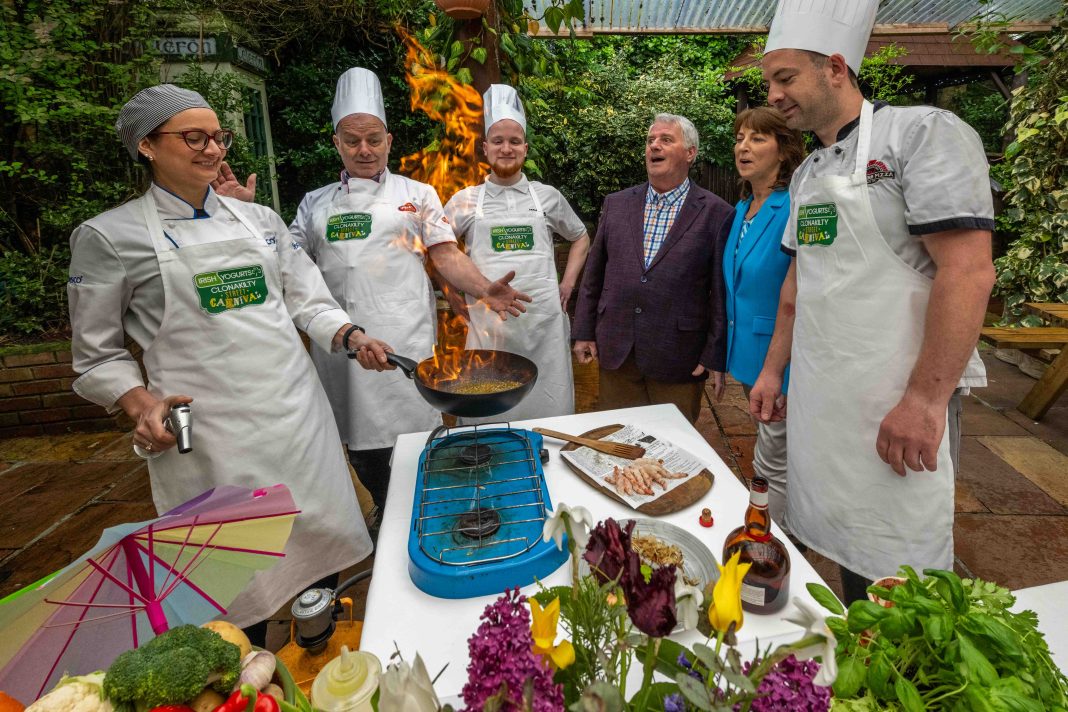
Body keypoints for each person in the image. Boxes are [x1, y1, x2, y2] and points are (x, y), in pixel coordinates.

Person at [66, 85, 393, 637]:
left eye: (217, 137)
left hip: (296, 418)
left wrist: (351, 335)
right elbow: (95, 355)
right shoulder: (109, 236)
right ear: (147, 144)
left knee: (318, 549)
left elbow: (307, 299)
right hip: (216, 436)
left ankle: (319, 652)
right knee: (241, 579)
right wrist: (140, 401)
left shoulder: (258, 219)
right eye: (194, 137)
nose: (213, 149)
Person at [751, 0, 996, 603]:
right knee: (832, 546)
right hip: (823, 404)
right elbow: (797, 285)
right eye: (769, 83)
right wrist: (773, 370)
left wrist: (924, 398)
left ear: (835, 67)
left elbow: (967, 271)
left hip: (895, 400)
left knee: (897, 572)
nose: (775, 95)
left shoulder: (921, 134)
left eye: (786, 78)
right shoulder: (808, 172)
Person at [216, 68, 531, 519]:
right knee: (356, 438)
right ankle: (385, 504)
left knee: (415, 430)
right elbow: (281, 263)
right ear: (336, 143)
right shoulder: (314, 203)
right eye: (352, 140)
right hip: (341, 338)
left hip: (405, 334)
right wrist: (242, 217)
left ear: (388, 140)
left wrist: (485, 289)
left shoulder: (417, 193)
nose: (364, 150)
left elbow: (445, 255)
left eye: (373, 139)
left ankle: (423, 507)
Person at [572, 113, 734, 424]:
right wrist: (583, 332)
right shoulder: (617, 204)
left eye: (665, 140)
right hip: (617, 349)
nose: (654, 146)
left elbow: (720, 291)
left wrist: (715, 353)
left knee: (673, 451)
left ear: (690, 153)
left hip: (678, 355)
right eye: (650, 141)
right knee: (618, 442)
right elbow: (594, 273)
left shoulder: (717, 212)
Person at [444, 84, 590, 423]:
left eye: (514, 141)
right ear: (485, 149)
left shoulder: (548, 197)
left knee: (549, 419)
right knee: (487, 419)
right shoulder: (464, 201)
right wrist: (452, 294)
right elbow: (439, 252)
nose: (506, 148)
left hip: (544, 330)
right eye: (497, 141)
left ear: (525, 148)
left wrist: (567, 284)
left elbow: (581, 237)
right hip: (489, 332)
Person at [723, 106, 805, 530]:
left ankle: (785, 544)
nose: (743, 147)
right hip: (746, 356)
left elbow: (801, 294)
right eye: (739, 138)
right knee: (770, 446)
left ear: (784, 149)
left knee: (776, 461)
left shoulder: (792, 206)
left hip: (781, 360)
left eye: (757, 138)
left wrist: (778, 369)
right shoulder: (742, 208)